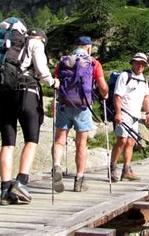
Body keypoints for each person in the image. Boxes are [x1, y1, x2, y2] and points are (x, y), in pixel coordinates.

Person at [0, 26, 60, 205]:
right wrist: (53, 82)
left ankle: (5, 190)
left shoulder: (6, 47)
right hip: (26, 93)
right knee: (31, 139)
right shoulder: (35, 44)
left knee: (8, 143)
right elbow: (42, 71)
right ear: (42, 38)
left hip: (1, 94)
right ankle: (21, 183)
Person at [52, 36, 108, 192]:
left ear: (76, 46)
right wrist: (105, 94)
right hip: (83, 107)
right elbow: (102, 86)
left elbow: (54, 79)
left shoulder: (63, 61)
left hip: (64, 104)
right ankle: (79, 180)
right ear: (88, 47)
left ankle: (56, 165)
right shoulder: (93, 63)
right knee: (81, 143)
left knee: (59, 140)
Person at [110, 52, 149, 182]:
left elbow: (146, 97)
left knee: (131, 142)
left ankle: (126, 170)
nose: (140, 65)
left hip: (135, 115)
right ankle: (113, 168)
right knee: (122, 140)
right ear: (133, 62)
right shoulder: (124, 76)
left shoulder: (144, 79)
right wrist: (118, 113)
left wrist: (148, 113)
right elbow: (117, 95)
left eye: (143, 64)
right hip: (124, 113)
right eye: (138, 63)